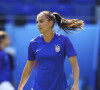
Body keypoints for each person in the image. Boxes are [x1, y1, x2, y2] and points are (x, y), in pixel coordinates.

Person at [18, 11, 84, 90]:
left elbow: (75, 65)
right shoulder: (33, 43)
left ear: (51, 23)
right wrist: (20, 87)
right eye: (37, 22)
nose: (38, 25)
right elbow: (28, 67)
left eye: (41, 21)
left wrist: (76, 83)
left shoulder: (64, 41)